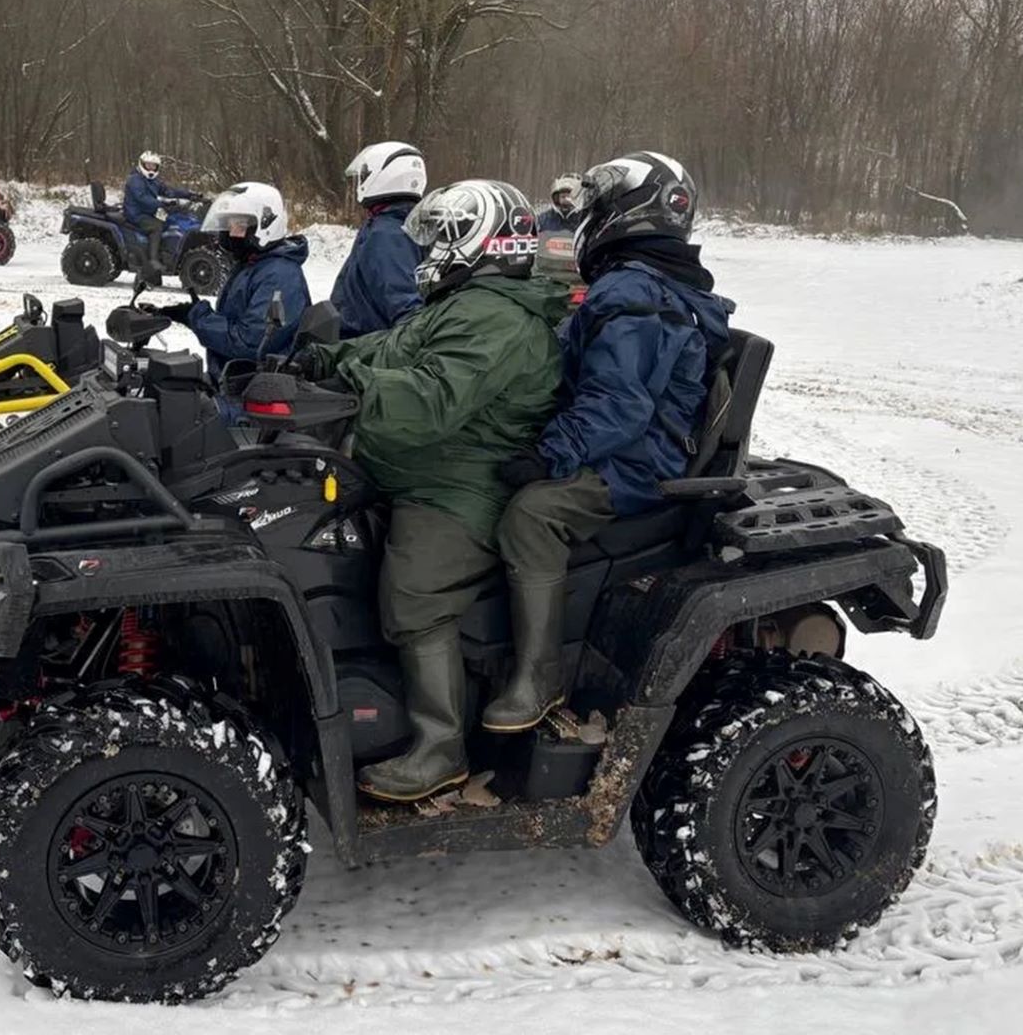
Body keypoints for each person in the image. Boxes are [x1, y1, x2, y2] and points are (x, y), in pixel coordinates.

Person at [302, 180, 567, 803]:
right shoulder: (465, 301)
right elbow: (395, 346)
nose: (430, 250)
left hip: (462, 484)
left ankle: (440, 746)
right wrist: (326, 358)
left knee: (414, 590)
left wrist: (352, 385)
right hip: (424, 467)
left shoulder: (497, 318)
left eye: (443, 237)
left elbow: (430, 399)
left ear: (484, 241)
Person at [486, 152, 734, 732]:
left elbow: (618, 404)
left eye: (600, 203)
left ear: (632, 209)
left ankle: (540, 676)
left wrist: (548, 455)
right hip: (630, 445)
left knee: (532, 515)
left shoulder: (633, 292)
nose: (586, 215)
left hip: (637, 462)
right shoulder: (641, 282)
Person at [155, 181, 309, 381]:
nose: (230, 233)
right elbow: (234, 321)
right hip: (232, 378)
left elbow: (249, 343)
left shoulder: (279, 275)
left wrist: (197, 317)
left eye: (238, 225)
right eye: (228, 225)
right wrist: (187, 313)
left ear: (265, 226)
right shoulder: (253, 264)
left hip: (259, 385)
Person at [333, 142, 427, 337]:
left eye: (364, 174)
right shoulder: (406, 225)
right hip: (366, 339)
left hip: (362, 344)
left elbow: (404, 302)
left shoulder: (387, 235)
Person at [123, 151, 202, 279]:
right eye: (148, 165)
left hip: (148, 212)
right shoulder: (135, 179)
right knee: (156, 227)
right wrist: (162, 204)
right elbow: (142, 198)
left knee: (169, 222)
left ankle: (165, 254)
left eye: (154, 166)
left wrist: (190, 195)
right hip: (135, 214)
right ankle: (153, 260)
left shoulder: (154, 181)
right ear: (142, 164)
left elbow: (168, 191)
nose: (151, 169)